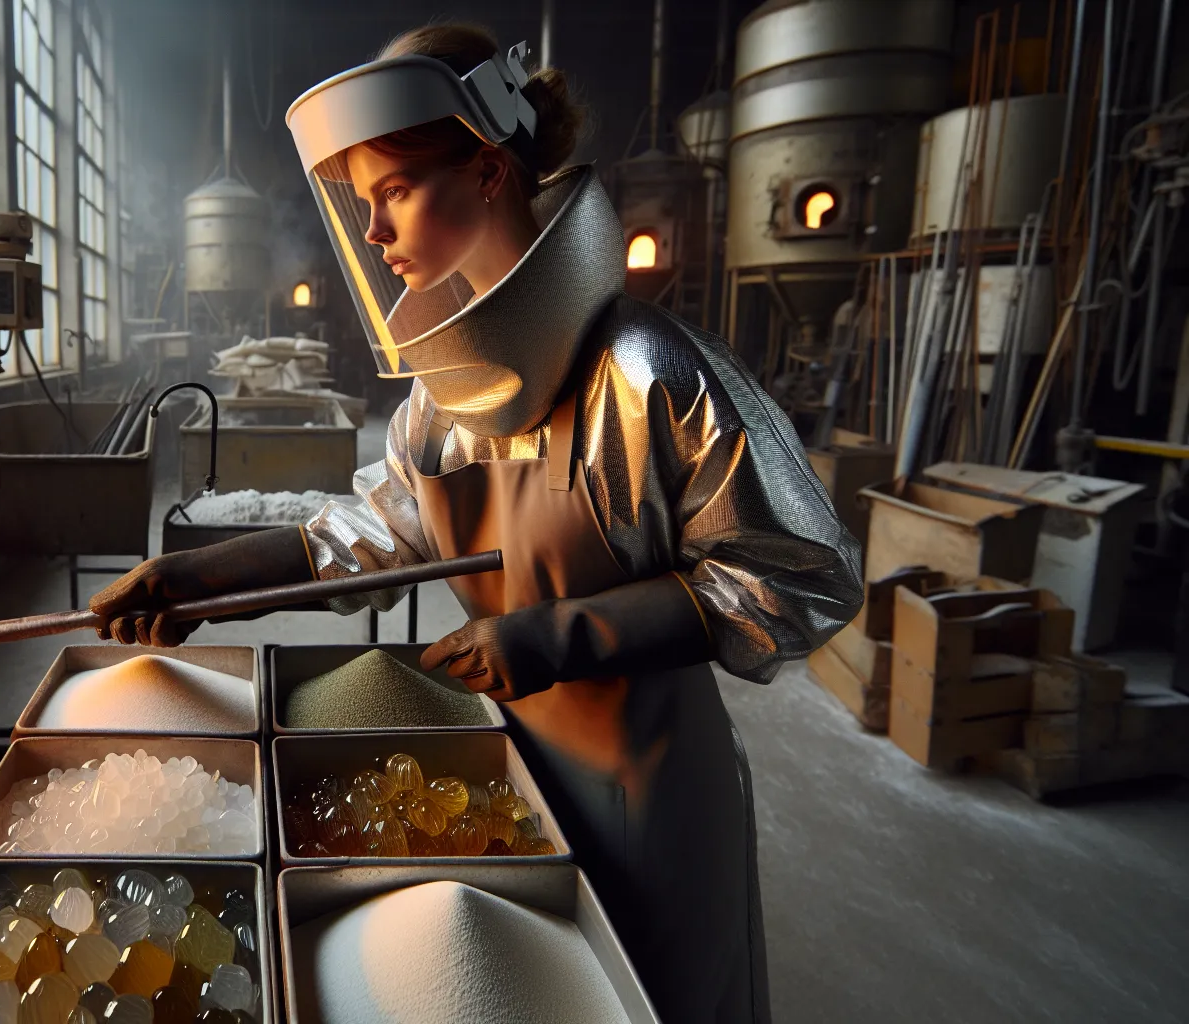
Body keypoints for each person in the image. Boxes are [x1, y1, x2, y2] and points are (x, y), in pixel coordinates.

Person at [92, 23, 863, 1024]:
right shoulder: (445, 400)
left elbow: (798, 576)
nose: (372, 233)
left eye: (394, 191)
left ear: (490, 171)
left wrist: (558, 634)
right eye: (363, 204)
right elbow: (374, 530)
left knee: (652, 1000)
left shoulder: (647, 372)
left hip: (648, 794)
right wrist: (202, 577)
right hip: (508, 776)